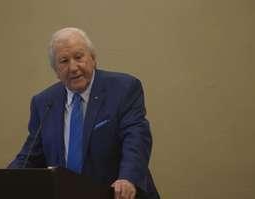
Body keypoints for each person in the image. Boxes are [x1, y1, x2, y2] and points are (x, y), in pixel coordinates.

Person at [8, 27, 160, 199]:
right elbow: (31, 155)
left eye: (78, 57)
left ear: (93, 58)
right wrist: (4, 183)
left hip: (117, 195)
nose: (73, 67)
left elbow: (136, 138)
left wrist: (127, 178)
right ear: (56, 71)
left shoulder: (123, 89)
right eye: (64, 61)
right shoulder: (43, 102)